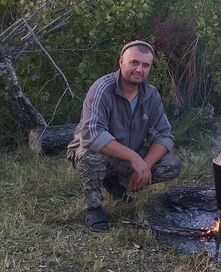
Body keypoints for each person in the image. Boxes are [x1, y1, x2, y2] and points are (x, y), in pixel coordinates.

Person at [67, 40, 181, 232]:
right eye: (134, 62)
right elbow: (91, 134)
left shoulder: (151, 95)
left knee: (172, 164)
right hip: (97, 152)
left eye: (145, 65)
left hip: (128, 155)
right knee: (89, 157)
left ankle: (115, 183)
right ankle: (94, 208)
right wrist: (134, 158)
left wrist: (145, 165)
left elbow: (165, 136)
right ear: (121, 62)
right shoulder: (103, 88)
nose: (139, 70)